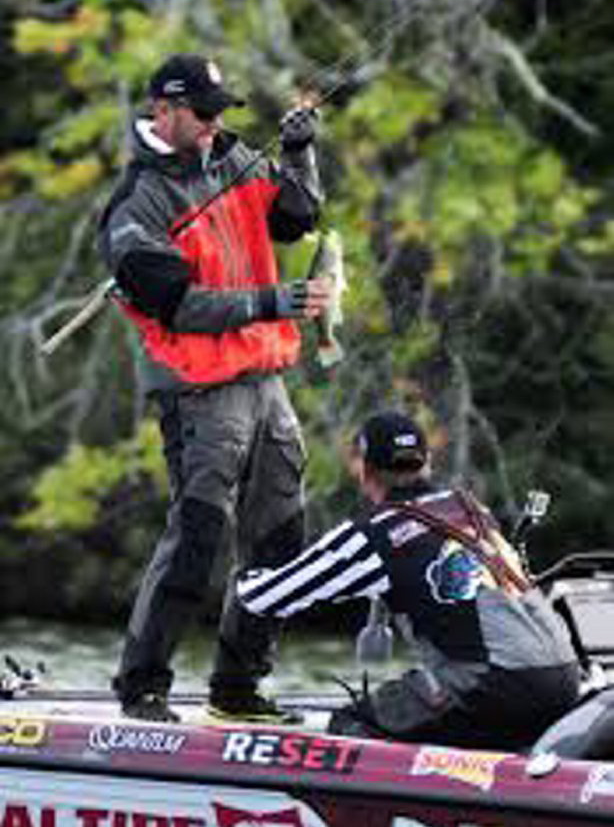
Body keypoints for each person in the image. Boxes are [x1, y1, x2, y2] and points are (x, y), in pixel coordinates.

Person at [98, 52, 331, 723]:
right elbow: (178, 306)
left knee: (282, 537)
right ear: (162, 110)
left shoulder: (232, 158)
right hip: (197, 390)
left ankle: (237, 688)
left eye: (218, 112)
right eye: (200, 113)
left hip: (265, 379)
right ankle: (142, 687)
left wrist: (297, 152)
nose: (211, 125)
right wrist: (271, 301)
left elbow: (298, 217)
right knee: (199, 534)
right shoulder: (134, 204)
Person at [237, 410, 581, 748]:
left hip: (495, 686)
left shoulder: (372, 534)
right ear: (427, 461)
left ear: (364, 469)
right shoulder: (472, 509)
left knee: (352, 723)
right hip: (565, 680)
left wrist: (247, 565)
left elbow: (262, 598)